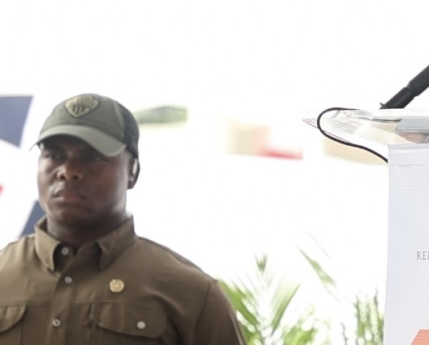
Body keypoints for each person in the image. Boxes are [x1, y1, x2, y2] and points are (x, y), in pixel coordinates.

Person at [0, 93, 246, 343]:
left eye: (92, 157)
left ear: (133, 171)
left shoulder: (190, 294)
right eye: (54, 155)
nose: (68, 171)